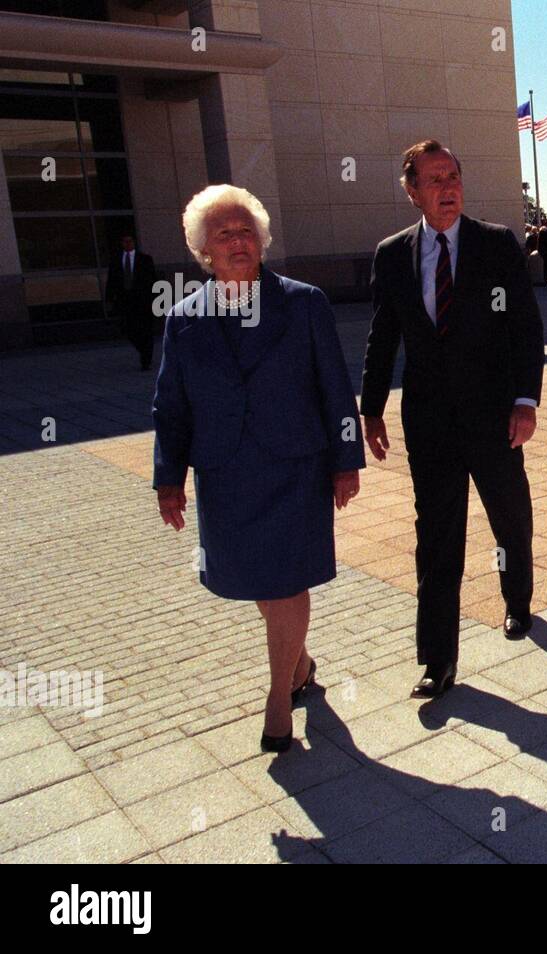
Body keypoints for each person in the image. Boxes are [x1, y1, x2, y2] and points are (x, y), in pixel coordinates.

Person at [152, 185, 365, 752]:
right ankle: (299, 662)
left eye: (246, 231)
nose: (237, 241)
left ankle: (277, 703)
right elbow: (170, 405)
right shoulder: (183, 319)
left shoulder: (304, 303)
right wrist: (168, 477)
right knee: (257, 584)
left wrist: (347, 463)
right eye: (223, 234)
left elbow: (335, 390)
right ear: (203, 250)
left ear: (262, 239)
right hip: (225, 475)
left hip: (295, 468)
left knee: (286, 578)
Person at [361, 140, 544, 700]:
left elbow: (525, 328)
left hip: (494, 416)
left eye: (454, 176)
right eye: (434, 179)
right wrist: (370, 408)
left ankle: (518, 598)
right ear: (412, 191)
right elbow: (383, 335)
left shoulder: (496, 245)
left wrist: (525, 401)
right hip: (430, 423)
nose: (448, 188)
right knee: (437, 536)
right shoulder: (393, 255)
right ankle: (437, 659)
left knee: (508, 516)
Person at [106, 233, 158, 371]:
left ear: (134, 242)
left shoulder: (145, 259)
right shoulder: (117, 260)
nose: (127, 243)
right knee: (128, 328)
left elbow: (153, 280)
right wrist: (109, 298)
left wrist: (156, 299)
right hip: (125, 300)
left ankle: (146, 358)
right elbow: (112, 280)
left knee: (145, 329)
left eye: (130, 241)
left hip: (142, 301)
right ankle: (143, 349)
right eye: (125, 241)